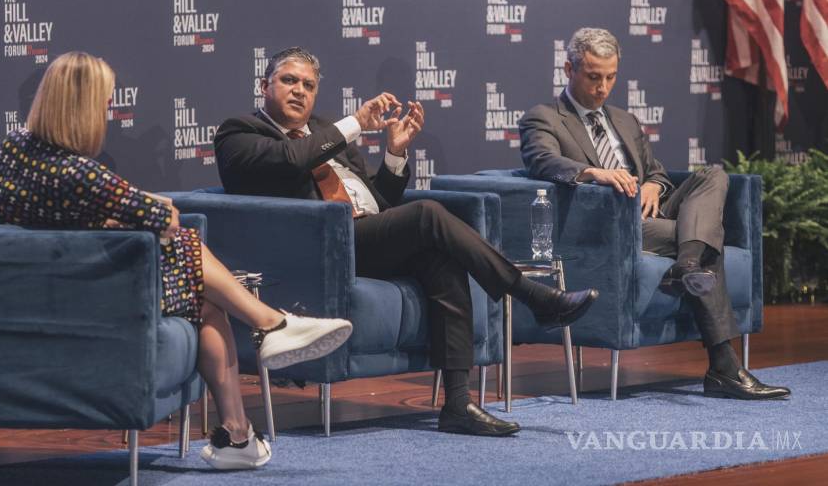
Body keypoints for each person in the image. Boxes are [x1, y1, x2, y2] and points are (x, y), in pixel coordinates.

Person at [0, 51, 353, 470]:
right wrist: (141, 212)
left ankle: (238, 434)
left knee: (202, 293)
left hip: (59, 276)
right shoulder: (82, 173)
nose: (108, 112)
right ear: (83, 108)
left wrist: (116, 216)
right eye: (104, 103)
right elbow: (165, 215)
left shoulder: (14, 150)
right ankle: (270, 325)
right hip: (93, 291)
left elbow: (48, 211)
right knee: (186, 248)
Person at [214, 46, 599, 437]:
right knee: (427, 213)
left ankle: (458, 403)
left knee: (441, 260)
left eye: (308, 85)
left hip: (366, 235)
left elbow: (380, 203)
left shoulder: (326, 132)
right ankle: (531, 295)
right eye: (289, 81)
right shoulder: (240, 133)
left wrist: (394, 155)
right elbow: (291, 158)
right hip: (320, 248)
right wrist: (354, 123)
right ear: (265, 86)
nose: (299, 91)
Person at [519, 27, 790, 400]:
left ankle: (688, 262)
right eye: (593, 77)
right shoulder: (544, 117)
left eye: (611, 77)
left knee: (712, 175)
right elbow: (542, 161)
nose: (602, 88)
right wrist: (594, 172)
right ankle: (724, 365)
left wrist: (654, 186)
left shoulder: (624, 120)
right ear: (569, 69)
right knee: (706, 237)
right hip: (612, 224)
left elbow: (658, 172)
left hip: (651, 211)